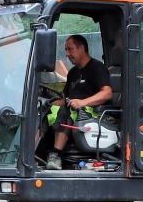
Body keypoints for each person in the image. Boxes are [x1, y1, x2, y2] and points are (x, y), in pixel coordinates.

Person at [42, 33, 113, 170]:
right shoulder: (73, 73)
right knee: (43, 111)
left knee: (66, 110)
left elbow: (107, 93)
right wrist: (48, 104)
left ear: (81, 48)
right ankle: (30, 152)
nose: (67, 54)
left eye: (70, 49)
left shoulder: (97, 68)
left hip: (92, 115)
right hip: (73, 109)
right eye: (66, 50)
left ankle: (55, 155)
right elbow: (64, 98)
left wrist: (82, 102)